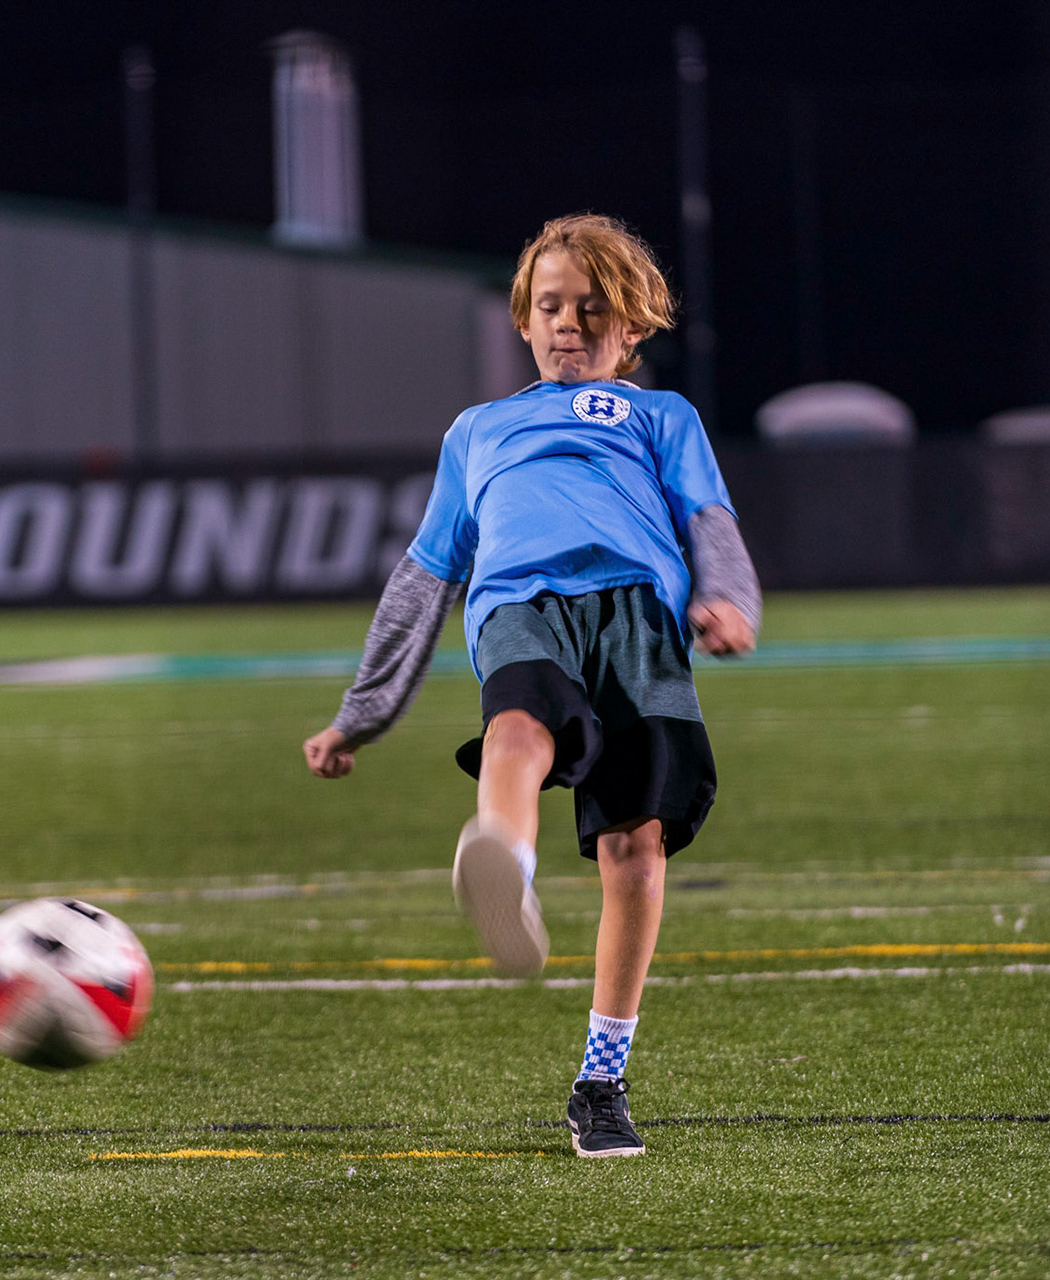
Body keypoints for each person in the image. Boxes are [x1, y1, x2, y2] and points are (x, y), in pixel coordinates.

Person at [302, 213, 761, 1158]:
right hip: (520, 602)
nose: (568, 324)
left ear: (632, 326)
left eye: (592, 309)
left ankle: (602, 1081)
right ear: (522, 319)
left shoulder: (662, 417)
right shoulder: (477, 431)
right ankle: (503, 868)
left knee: (635, 848)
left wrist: (726, 599)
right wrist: (362, 713)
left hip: (637, 616)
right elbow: (425, 576)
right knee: (518, 725)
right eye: (549, 306)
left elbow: (709, 517)